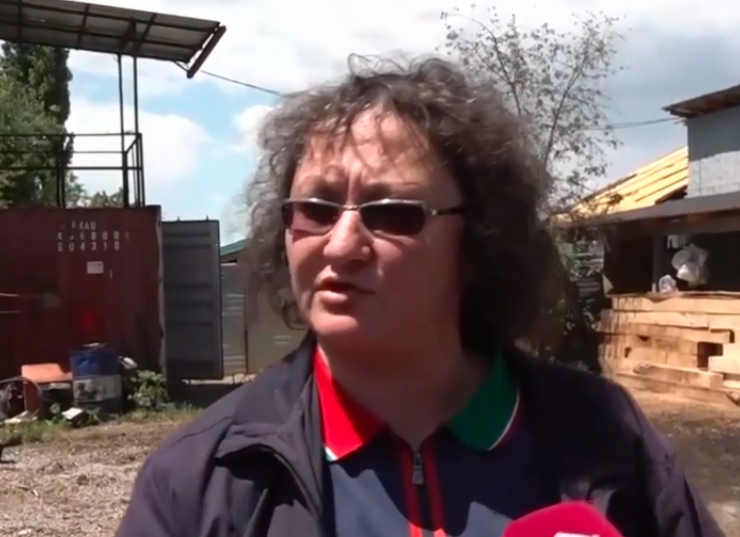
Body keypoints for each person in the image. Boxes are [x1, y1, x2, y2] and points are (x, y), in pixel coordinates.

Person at [115, 56, 724, 537]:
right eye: (315, 209)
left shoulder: (608, 441)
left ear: (478, 241)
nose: (342, 244)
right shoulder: (202, 478)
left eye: (393, 213)